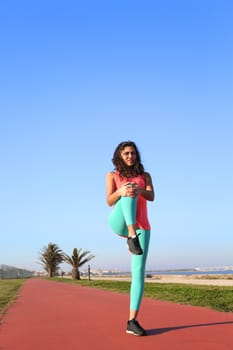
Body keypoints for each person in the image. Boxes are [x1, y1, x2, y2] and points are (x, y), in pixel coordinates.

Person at [106, 140, 155, 336]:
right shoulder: (112, 175)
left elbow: (151, 197)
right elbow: (109, 201)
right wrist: (123, 190)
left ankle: (132, 321)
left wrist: (139, 189)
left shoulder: (145, 176)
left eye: (133, 153)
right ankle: (131, 234)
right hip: (119, 221)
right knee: (128, 188)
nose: (130, 156)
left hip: (143, 226)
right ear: (120, 155)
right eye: (126, 153)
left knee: (138, 272)